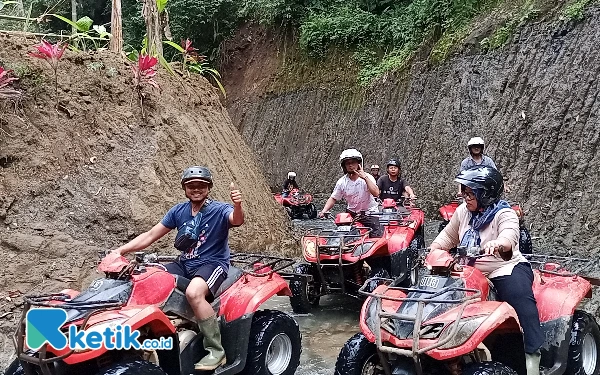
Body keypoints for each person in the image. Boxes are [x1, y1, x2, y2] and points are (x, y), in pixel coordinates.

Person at [112, 166, 244, 371]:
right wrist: (120, 251)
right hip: (185, 263)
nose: (196, 190)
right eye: (191, 186)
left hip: (213, 263)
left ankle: (216, 351)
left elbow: (236, 220)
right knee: (149, 279)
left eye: (201, 186)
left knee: (194, 293)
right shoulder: (178, 211)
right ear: (185, 188)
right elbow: (150, 235)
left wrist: (237, 205)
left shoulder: (219, 209)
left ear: (208, 188)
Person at [430, 166, 543, 375]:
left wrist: (499, 244)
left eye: (470, 193)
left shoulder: (505, 213)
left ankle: (533, 358)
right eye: (464, 192)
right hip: (466, 271)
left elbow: (509, 236)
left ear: (486, 194)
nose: (465, 197)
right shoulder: (463, 211)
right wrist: (433, 250)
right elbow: (447, 237)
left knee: (521, 299)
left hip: (503, 268)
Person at [318, 149, 382, 237]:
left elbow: (376, 193)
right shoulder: (342, 182)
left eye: (353, 162)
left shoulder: (368, 177)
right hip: (351, 214)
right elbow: (333, 198)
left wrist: (365, 177)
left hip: (369, 214)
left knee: (376, 236)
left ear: (358, 163)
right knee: (341, 236)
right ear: (344, 166)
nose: (350, 165)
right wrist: (324, 210)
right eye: (347, 163)